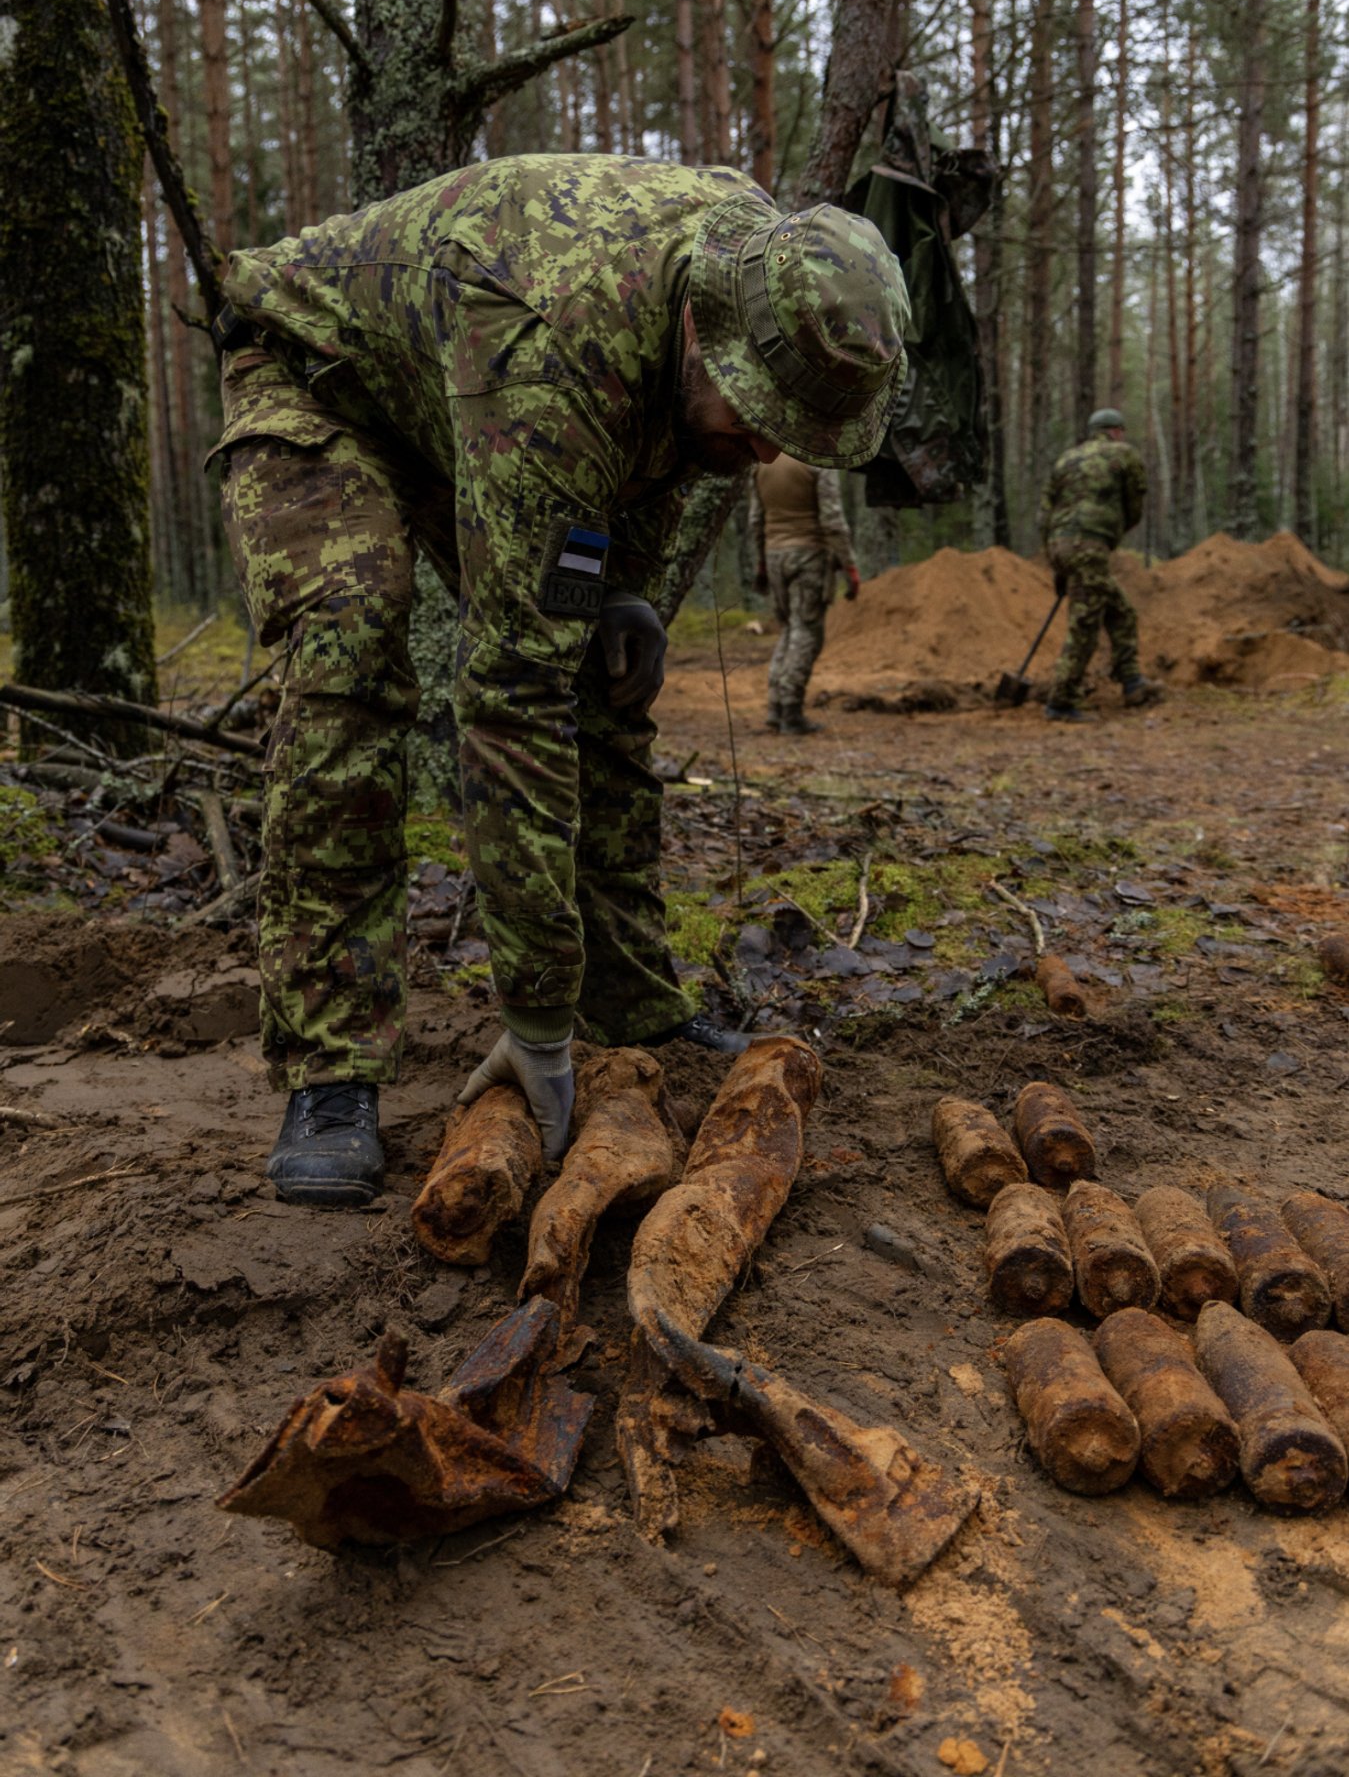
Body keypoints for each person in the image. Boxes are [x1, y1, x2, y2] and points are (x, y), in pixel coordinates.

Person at [209, 154, 909, 1207]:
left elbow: (645, 468)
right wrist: (534, 1020)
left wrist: (616, 588)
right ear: (699, 335)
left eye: (790, 434)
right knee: (355, 649)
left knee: (607, 670)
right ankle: (330, 1063)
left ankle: (629, 999)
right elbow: (508, 702)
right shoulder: (554, 343)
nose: (763, 447)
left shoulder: (757, 266)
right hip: (318, 378)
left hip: (465, 395)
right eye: (754, 413)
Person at [1038, 407, 1161, 722]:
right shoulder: (1123, 455)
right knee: (1085, 623)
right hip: (1089, 545)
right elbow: (1134, 505)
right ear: (1116, 430)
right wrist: (1112, 533)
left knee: (1120, 611)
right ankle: (1060, 701)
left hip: (1060, 544)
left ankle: (1132, 682)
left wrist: (1058, 562)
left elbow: (1045, 512)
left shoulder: (1066, 459)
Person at [748, 460, 861, 733]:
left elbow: (755, 520)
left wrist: (762, 563)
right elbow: (832, 519)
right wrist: (849, 565)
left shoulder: (764, 458)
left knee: (789, 629)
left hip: (775, 555)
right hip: (809, 554)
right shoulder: (817, 460)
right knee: (806, 631)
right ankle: (791, 710)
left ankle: (776, 707)